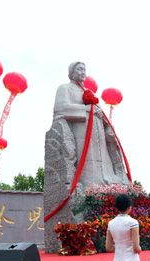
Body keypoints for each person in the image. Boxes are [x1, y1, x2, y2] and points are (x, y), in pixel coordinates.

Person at [53, 61, 129, 192]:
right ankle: (88, 184)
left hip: (97, 130)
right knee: (87, 157)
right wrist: (86, 109)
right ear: (71, 73)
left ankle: (105, 182)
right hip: (80, 130)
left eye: (84, 70)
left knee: (102, 156)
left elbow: (97, 109)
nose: (83, 72)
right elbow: (60, 108)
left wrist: (100, 114)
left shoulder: (88, 92)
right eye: (79, 69)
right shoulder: (64, 88)